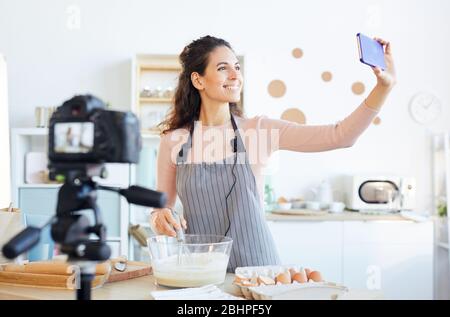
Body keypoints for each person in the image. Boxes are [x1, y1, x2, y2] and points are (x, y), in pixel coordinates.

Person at [150, 35, 396, 272]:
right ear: (198, 80)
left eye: (237, 67)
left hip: (259, 270)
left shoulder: (259, 130)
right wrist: (160, 217)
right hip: (199, 270)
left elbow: (341, 135)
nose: (236, 75)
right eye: (223, 68)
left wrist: (384, 87)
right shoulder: (174, 141)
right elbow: (162, 208)